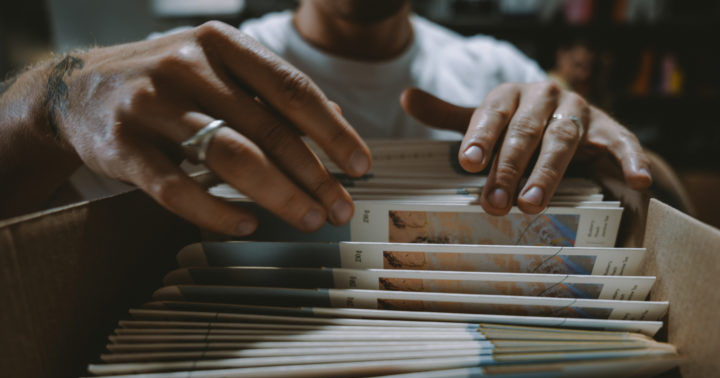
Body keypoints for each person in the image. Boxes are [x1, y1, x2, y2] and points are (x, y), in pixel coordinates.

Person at [0, 0, 655, 236]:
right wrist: (44, 106)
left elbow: (674, 220)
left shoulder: (497, 71)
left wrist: (618, 166)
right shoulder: (190, 78)